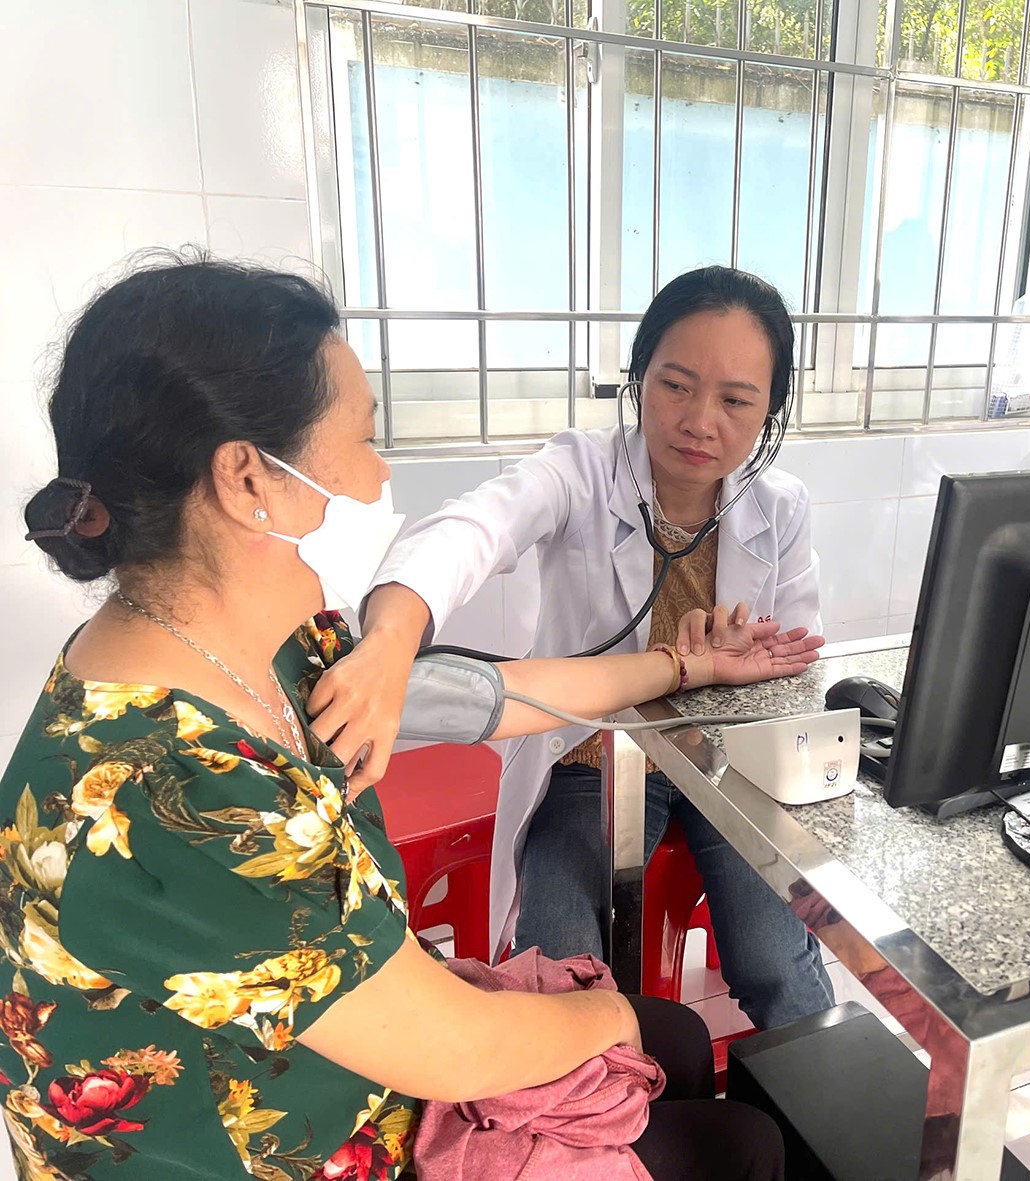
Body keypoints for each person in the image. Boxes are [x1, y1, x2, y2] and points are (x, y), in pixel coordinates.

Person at [0, 253, 795, 1180]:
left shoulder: (244, 645)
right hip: (293, 1144)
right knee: (726, 1130)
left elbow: (493, 696)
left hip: (343, 1055)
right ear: (247, 477)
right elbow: (453, 1048)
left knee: (684, 1037)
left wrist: (685, 665)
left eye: (737, 399)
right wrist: (610, 1013)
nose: (379, 475)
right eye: (363, 439)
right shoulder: (170, 785)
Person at [316, 266, 837, 1031]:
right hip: (590, 756)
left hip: (727, 766)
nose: (700, 421)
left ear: (769, 410)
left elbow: (795, 663)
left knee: (774, 964)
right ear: (637, 377)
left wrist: (740, 673)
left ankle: (822, 1102)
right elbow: (474, 528)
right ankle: (604, 1103)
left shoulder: (779, 507)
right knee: (562, 972)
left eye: (735, 400)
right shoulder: (581, 470)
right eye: (676, 385)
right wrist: (393, 636)